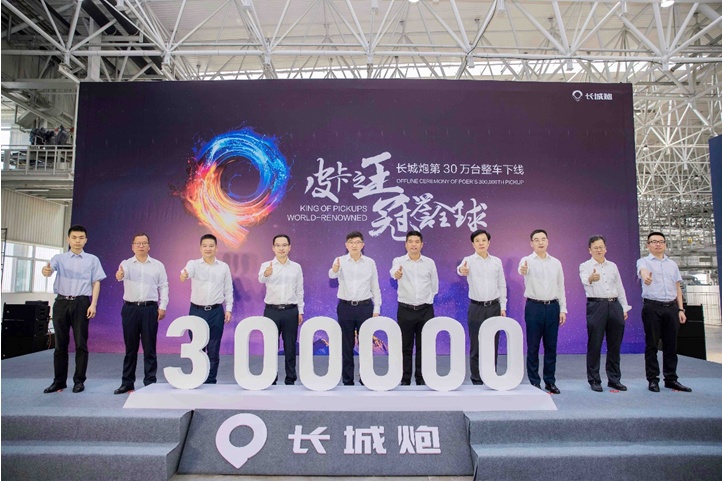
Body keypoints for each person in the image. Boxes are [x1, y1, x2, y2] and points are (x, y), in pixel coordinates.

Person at [41, 225, 106, 394]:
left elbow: (96, 282)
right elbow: (49, 269)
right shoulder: (59, 258)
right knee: (60, 345)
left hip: (81, 303)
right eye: (74, 237)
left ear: (86, 240)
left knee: (81, 344)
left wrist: (93, 304)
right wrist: (46, 270)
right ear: (68, 239)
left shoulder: (92, 259)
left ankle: (79, 381)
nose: (78, 241)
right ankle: (59, 381)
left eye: (81, 237)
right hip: (61, 302)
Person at [113, 233, 169, 394]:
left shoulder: (158, 265)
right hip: (130, 309)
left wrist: (163, 306)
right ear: (133, 246)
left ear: (149, 246)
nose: (141, 246)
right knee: (130, 349)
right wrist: (119, 275)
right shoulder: (126, 263)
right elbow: (120, 275)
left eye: (144, 243)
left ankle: (150, 383)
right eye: (138, 243)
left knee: (149, 348)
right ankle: (127, 383)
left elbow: (164, 286)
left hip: (149, 309)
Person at [637, 232, 692, 393]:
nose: (658, 244)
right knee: (652, 345)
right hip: (652, 307)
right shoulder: (643, 261)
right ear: (648, 245)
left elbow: (677, 287)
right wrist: (646, 277)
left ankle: (671, 379)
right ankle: (653, 380)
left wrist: (681, 309)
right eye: (654, 242)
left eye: (661, 241)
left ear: (665, 244)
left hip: (671, 307)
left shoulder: (672, 264)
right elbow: (643, 271)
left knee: (671, 345)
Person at [579, 235, 631, 392]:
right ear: (589, 250)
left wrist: (624, 307)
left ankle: (614, 379)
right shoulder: (585, 266)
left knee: (615, 345)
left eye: (601, 247)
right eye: (595, 247)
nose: (599, 250)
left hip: (614, 305)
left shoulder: (612, 266)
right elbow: (584, 280)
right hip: (596, 305)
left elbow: (620, 287)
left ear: (606, 248)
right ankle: (594, 379)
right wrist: (591, 278)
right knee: (594, 344)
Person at [329, 231, 381, 386]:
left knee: (365, 344)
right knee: (347, 345)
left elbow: (375, 286)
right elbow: (332, 275)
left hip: (365, 307)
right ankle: (348, 380)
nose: (354, 245)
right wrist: (335, 269)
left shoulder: (370, 262)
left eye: (357, 242)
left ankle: (365, 378)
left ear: (362, 245)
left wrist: (377, 308)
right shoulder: (340, 260)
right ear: (346, 245)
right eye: (351, 242)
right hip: (345, 307)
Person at [518, 229, 566, 394]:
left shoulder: (556, 263)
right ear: (531, 243)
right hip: (534, 307)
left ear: (547, 241)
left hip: (553, 307)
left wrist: (563, 309)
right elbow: (522, 270)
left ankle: (550, 381)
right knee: (533, 346)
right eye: (536, 240)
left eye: (543, 239)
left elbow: (560, 286)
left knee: (551, 346)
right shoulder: (526, 260)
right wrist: (523, 270)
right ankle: (534, 382)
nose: (540, 242)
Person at [180, 234, 233, 384]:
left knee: (213, 348)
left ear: (216, 248)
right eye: (205, 246)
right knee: (197, 348)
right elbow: (186, 272)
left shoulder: (223, 267)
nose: (208, 248)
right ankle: (197, 379)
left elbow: (228, 289)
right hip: (196, 312)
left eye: (211, 246)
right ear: (200, 248)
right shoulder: (193, 264)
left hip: (216, 312)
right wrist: (184, 275)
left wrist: (228, 309)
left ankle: (210, 380)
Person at [457, 229, 507, 385]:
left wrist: (503, 306)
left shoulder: (496, 262)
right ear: (473, 244)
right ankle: (476, 379)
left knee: (493, 343)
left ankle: (491, 377)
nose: (481, 243)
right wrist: (462, 270)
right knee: (476, 344)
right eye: (477, 241)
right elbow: (460, 270)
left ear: (488, 242)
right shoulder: (468, 260)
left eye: (483, 240)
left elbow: (502, 285)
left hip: (494, 307)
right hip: (476, 307)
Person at [390, 231, 439, 386]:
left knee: (424, 346)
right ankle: (405, 378)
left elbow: (434, 286)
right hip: (405, 310)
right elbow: (393, 272)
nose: (413, 244)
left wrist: (427, 301)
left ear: (422, 244)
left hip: (425, 310)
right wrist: (397, 274)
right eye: (410, 241)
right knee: (405, 346)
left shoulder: (429, 263)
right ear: (406, 244)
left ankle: (421, 378)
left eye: (417, 241)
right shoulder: (399, 261)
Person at [258, 234, 304, 385]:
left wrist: (300, 310)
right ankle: (271, 378)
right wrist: (266, 274)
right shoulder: (267, 265)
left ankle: (290, 378)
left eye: (284, 245)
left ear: (289, 247)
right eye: (278, 245)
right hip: (272, 311)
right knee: (271, 346)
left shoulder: (296, 267)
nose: (281, 248)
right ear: (273, 248)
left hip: (291, 310)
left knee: (290, 346)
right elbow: (261, 278)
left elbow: (299, 290)